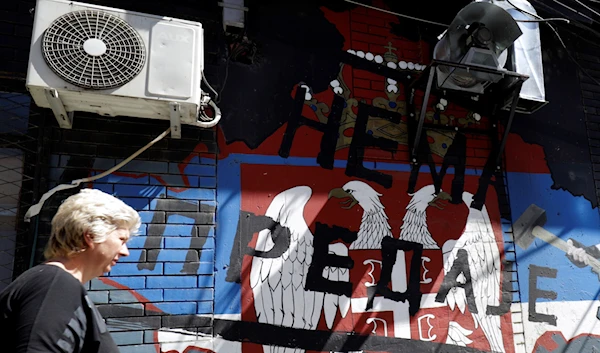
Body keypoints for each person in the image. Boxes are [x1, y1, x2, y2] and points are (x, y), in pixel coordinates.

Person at [0, 188, 141, 353]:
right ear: (91, 235)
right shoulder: (55, 285)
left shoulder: (56, 284)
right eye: (121, 239)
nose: (125, 252)